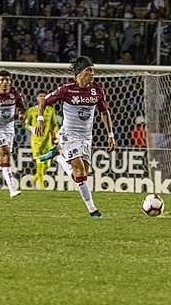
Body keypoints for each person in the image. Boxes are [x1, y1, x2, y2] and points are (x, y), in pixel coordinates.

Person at [35, 56, 116, 219]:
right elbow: (44, 102)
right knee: (79, 170)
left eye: (93, 70)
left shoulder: (97, 90)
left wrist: (110, 134)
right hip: (69, 135)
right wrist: (40, 119)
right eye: (89, 70)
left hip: (86, 137)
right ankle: (93, 211)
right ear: (79, 73)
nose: (93, 74)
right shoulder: (66, 90)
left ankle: (58, 157)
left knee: (82, 174)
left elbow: (104, 112)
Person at [0, 70, 27, 198]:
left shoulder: (15, 95)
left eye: (7, 80)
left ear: (10, 82)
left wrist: (22, 115)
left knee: (2, 158)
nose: (5, 82)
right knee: (6, 154)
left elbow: (23, 108)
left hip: (10, 130)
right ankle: (12, 189)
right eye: (2, 80)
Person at [25, 89, 59, 189]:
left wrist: (56, 135)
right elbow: (26, 124)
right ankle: (41, 186)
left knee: (47, 164)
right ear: (36, 98)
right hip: (36, 140)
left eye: (44, 96)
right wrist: (32, 128)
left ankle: (34, 180)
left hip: (47, 140)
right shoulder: (31, 110)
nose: (42, 98)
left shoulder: (50, 110)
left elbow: (55, 124)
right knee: (39, 162)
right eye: (40, 96)